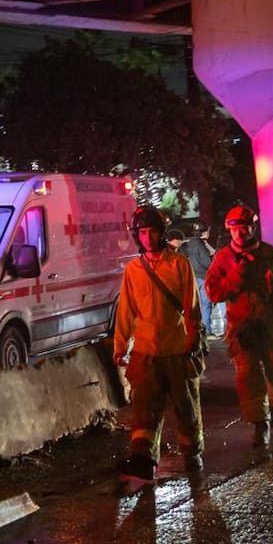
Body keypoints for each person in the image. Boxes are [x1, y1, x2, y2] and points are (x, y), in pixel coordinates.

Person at [112, 206, 206, 484]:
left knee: (186, 405)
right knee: (144, 409)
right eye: (142, 232)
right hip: (146, 352)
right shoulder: (133, 270)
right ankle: (143, 459)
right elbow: (126, 311)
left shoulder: (179, 265)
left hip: (177, 349)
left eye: (152, 231)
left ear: (161, 233)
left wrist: (193, 340)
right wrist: (120, 346)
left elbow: (192, 308)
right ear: (136, 236)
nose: (147, 237)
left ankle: (192, 452)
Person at [204, 205, 273, 446]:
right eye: (235, 228)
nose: (240, 233)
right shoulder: (223, 258)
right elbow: (212, 292)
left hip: (271, 324)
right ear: (229, 230)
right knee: (248, 376)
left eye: (244, 227)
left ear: (252, 227)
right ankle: (259, 423)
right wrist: (235, 278)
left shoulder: (269, 253)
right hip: (242, 326)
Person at [179, 220, 217, 337]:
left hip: (192, 278)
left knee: (195, 307)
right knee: (206, 306)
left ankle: (196, 332)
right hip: (203, 278)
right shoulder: (200, 245)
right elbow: (207, 263)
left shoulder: (187, 244)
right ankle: (207, 332)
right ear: (203, 232)